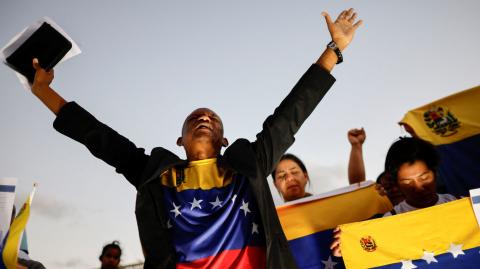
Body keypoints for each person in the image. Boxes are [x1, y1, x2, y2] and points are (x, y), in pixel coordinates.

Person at [28, 8, 362, 269]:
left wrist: (334, 50)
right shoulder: (156, 174)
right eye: (195, 119)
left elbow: (291, 115)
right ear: (180, 141)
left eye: (212, 119)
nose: (204, 119)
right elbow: (100, 139)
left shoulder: (249, 162)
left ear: (224, 139)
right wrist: (44, 92)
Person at [272, 128, 366, 202]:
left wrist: (356, 146)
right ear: (275, 185)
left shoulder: (327, 205)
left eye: (294, 172)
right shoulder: (269, 222)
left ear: (306, 176)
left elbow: (358, 193)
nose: (289, 178)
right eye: (281, 176)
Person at [382, 136, 456, 216]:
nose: (418, 188)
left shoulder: (463, 204)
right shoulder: (390, 221)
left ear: (435, 173)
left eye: (424, 178)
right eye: (407, 183)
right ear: (397, 184)